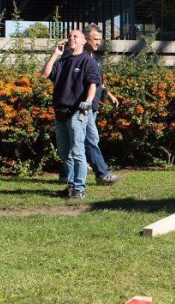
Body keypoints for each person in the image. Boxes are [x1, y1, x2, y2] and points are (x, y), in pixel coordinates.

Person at [41, 29, 101, 199]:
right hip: (60, 112)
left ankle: (79, 188)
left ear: (83, 41)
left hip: (77, 112)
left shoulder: (87, 61)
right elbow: (45, 74)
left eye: (75, 36)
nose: (71, 38)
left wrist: (88, 101)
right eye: (69, 36)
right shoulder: (63, 60)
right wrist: (55, 54)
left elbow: (92, 85)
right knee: (64, 153)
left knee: (77, 151)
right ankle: (71, 185)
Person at [84, 24, 120, 185]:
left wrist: (110, 96)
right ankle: (102, 174)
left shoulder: (94, 59)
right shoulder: (81, 57)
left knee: (82, 140)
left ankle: (66, 173)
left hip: (94, 106)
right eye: (95, 39)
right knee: (91, 139)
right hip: (85, 106)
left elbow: (99, 83)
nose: (98, 43)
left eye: (99, 39)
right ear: (86, 39)